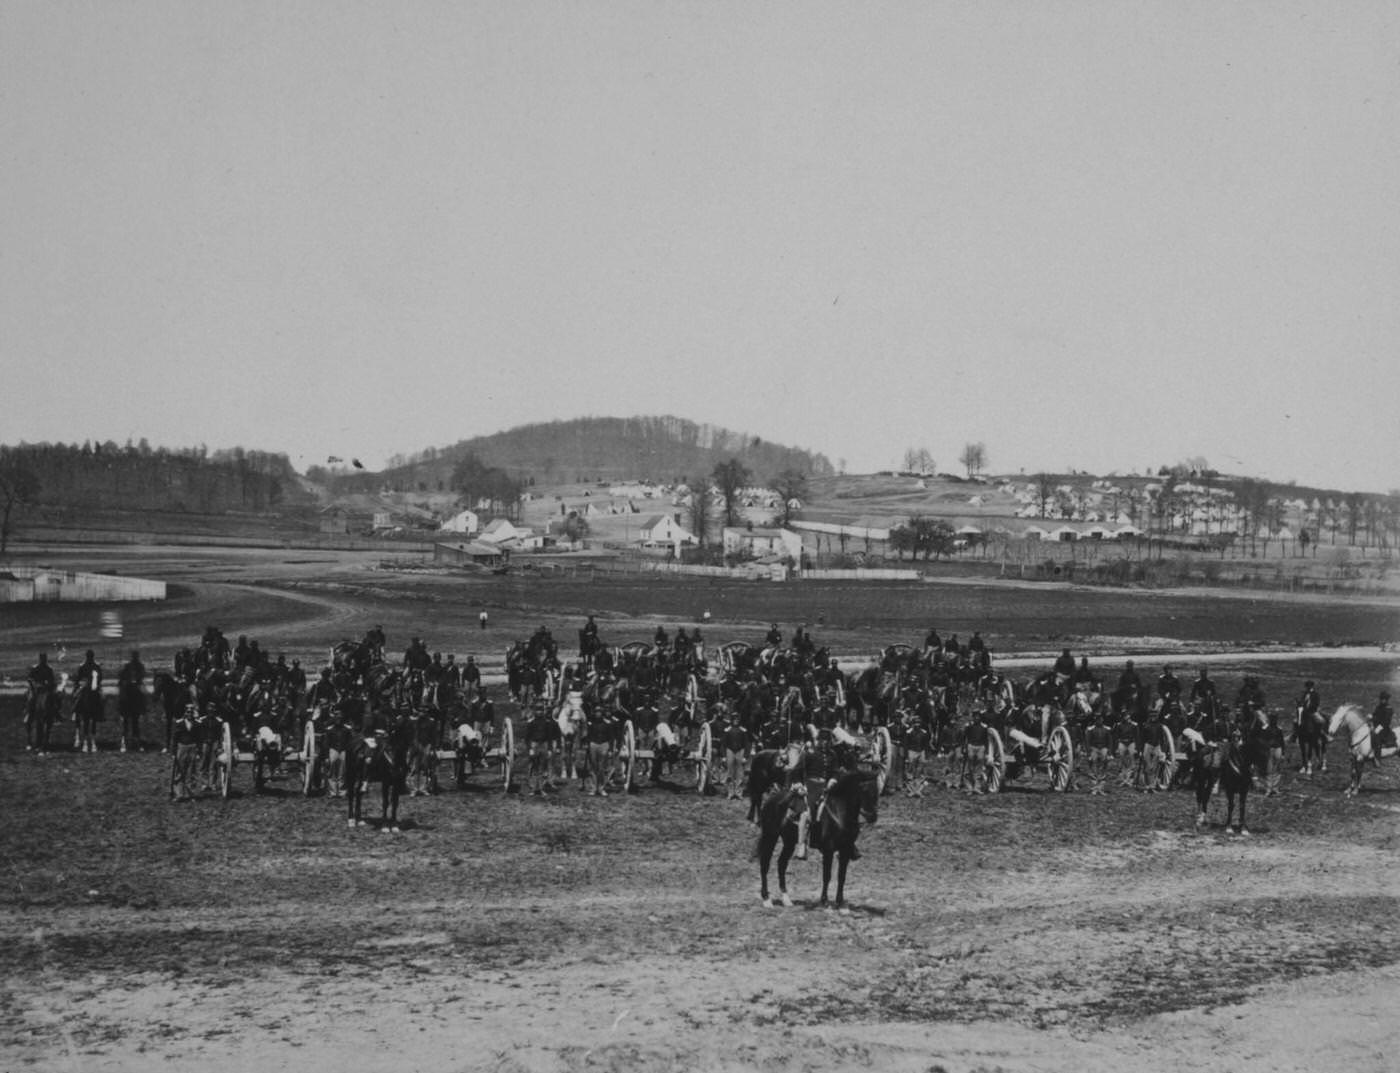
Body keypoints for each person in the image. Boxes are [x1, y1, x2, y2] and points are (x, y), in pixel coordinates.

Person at [116, 649, 146, 753]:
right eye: (134, 656)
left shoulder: (140, 666)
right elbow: (121, 676)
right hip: (128, 688)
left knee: (143, 694)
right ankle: (124, 742)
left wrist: (137, 680)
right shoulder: (127, 666)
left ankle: (143, 708)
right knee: (125, 721)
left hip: (137, 687)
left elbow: (142, 675)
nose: (135, 658)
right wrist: (124, 679)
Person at [1084, 708, 1113, 795]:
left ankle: (1101, 786)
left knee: (1104, 764)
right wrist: (1088, 754)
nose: (1099, 721)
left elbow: (1110, 742)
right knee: (1093, 764)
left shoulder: (1107, 729)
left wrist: (1109, 753)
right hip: (1094, 748)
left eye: (1100, 719)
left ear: (1102, 720)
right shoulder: (1090, 729)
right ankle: (1094, 785)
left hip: (1103, 748)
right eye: (1097, 719)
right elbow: (1087, 742)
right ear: (1095, 720)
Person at [721, 713, 749, 801]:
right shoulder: (727, 730)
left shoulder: (743, 730)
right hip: (730, 750)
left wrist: (745, 756)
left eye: (737, 719)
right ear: (732, 720)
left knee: (740, 773)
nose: (736, 721)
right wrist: (724, 756)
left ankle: (739, 793)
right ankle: (730, 793)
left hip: (740, 750)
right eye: (734, 719)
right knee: (730, 773)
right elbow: (723, 744)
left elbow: (747, 744)